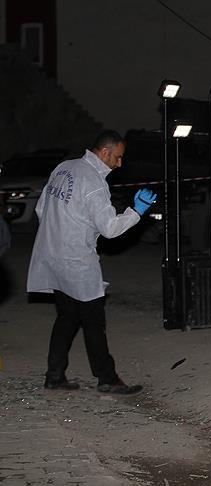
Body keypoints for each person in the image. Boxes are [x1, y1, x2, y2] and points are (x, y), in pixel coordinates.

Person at [27, 130, 157, 394]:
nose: (120, 163)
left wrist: (60, 231)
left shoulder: (64, 168)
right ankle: (107, 378)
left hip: (52, 253)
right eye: (118, 157)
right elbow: (110, 229)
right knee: (93, 321)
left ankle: (54, 375)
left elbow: (41, 209)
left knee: (67, 317)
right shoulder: (95, 183)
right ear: (105, 152)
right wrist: (136, 212)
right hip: (76, 260)